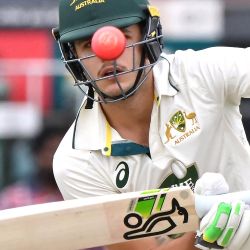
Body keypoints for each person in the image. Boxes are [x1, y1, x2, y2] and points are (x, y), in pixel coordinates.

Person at [53, 0, 250, 249]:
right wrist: (206, 236)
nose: (107, 53)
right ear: (74, 57)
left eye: (121, 37)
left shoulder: (202, 73)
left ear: (148, 34)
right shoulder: (75, 163)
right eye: (87, 45)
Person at [0, 126, 64, 208]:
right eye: (53, 151)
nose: (58, 159)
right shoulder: (13, 199)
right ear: (37, 153)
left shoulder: (77, 196)